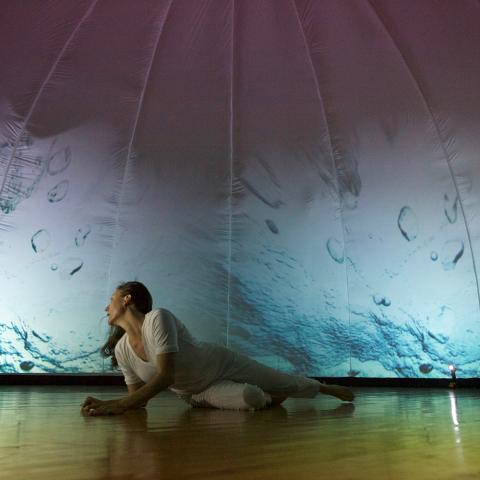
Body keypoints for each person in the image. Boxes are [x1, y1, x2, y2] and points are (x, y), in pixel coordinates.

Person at [81, 281, 354, 416]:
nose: (107, 306)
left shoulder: (158, 318)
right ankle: (272, 397)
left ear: (127, 299)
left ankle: (323, 388)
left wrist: (117, 405)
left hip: (221, 363)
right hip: (195, 393)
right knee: (251, 398)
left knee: (283, 380)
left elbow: (165, 377)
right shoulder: (122, 350)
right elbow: (137, 400)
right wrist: (117, 407)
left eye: (111, 299)